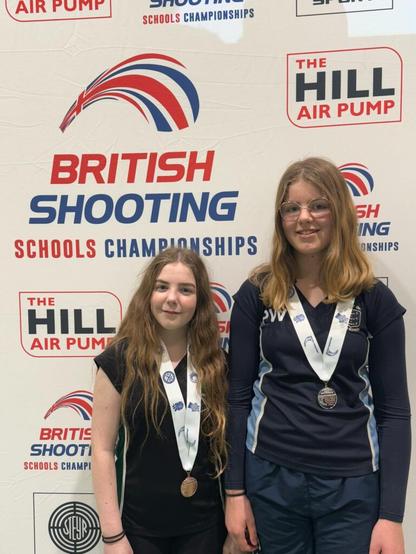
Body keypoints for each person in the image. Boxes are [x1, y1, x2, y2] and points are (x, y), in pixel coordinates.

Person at [224, 157, 411, 554]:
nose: (304, 218)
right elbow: (237, 397)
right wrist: (235, 492)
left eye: (318, 205)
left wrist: (392, 516)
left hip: (352, 485)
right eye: (292, 208)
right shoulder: (256, 293)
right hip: (271, 476)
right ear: (281, 219)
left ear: (339, 213)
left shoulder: (375, 299)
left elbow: (394, 411)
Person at [92, 247, 233, 554]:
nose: (172, 298)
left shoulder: (217, 364)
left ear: (200, 301)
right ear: (148, 294)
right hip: (138, 530)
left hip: (206, 528)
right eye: (162, 287)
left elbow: (229, 450)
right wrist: (113, 536)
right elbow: (102, 450)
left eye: (186, 290)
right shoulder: (118, 360)